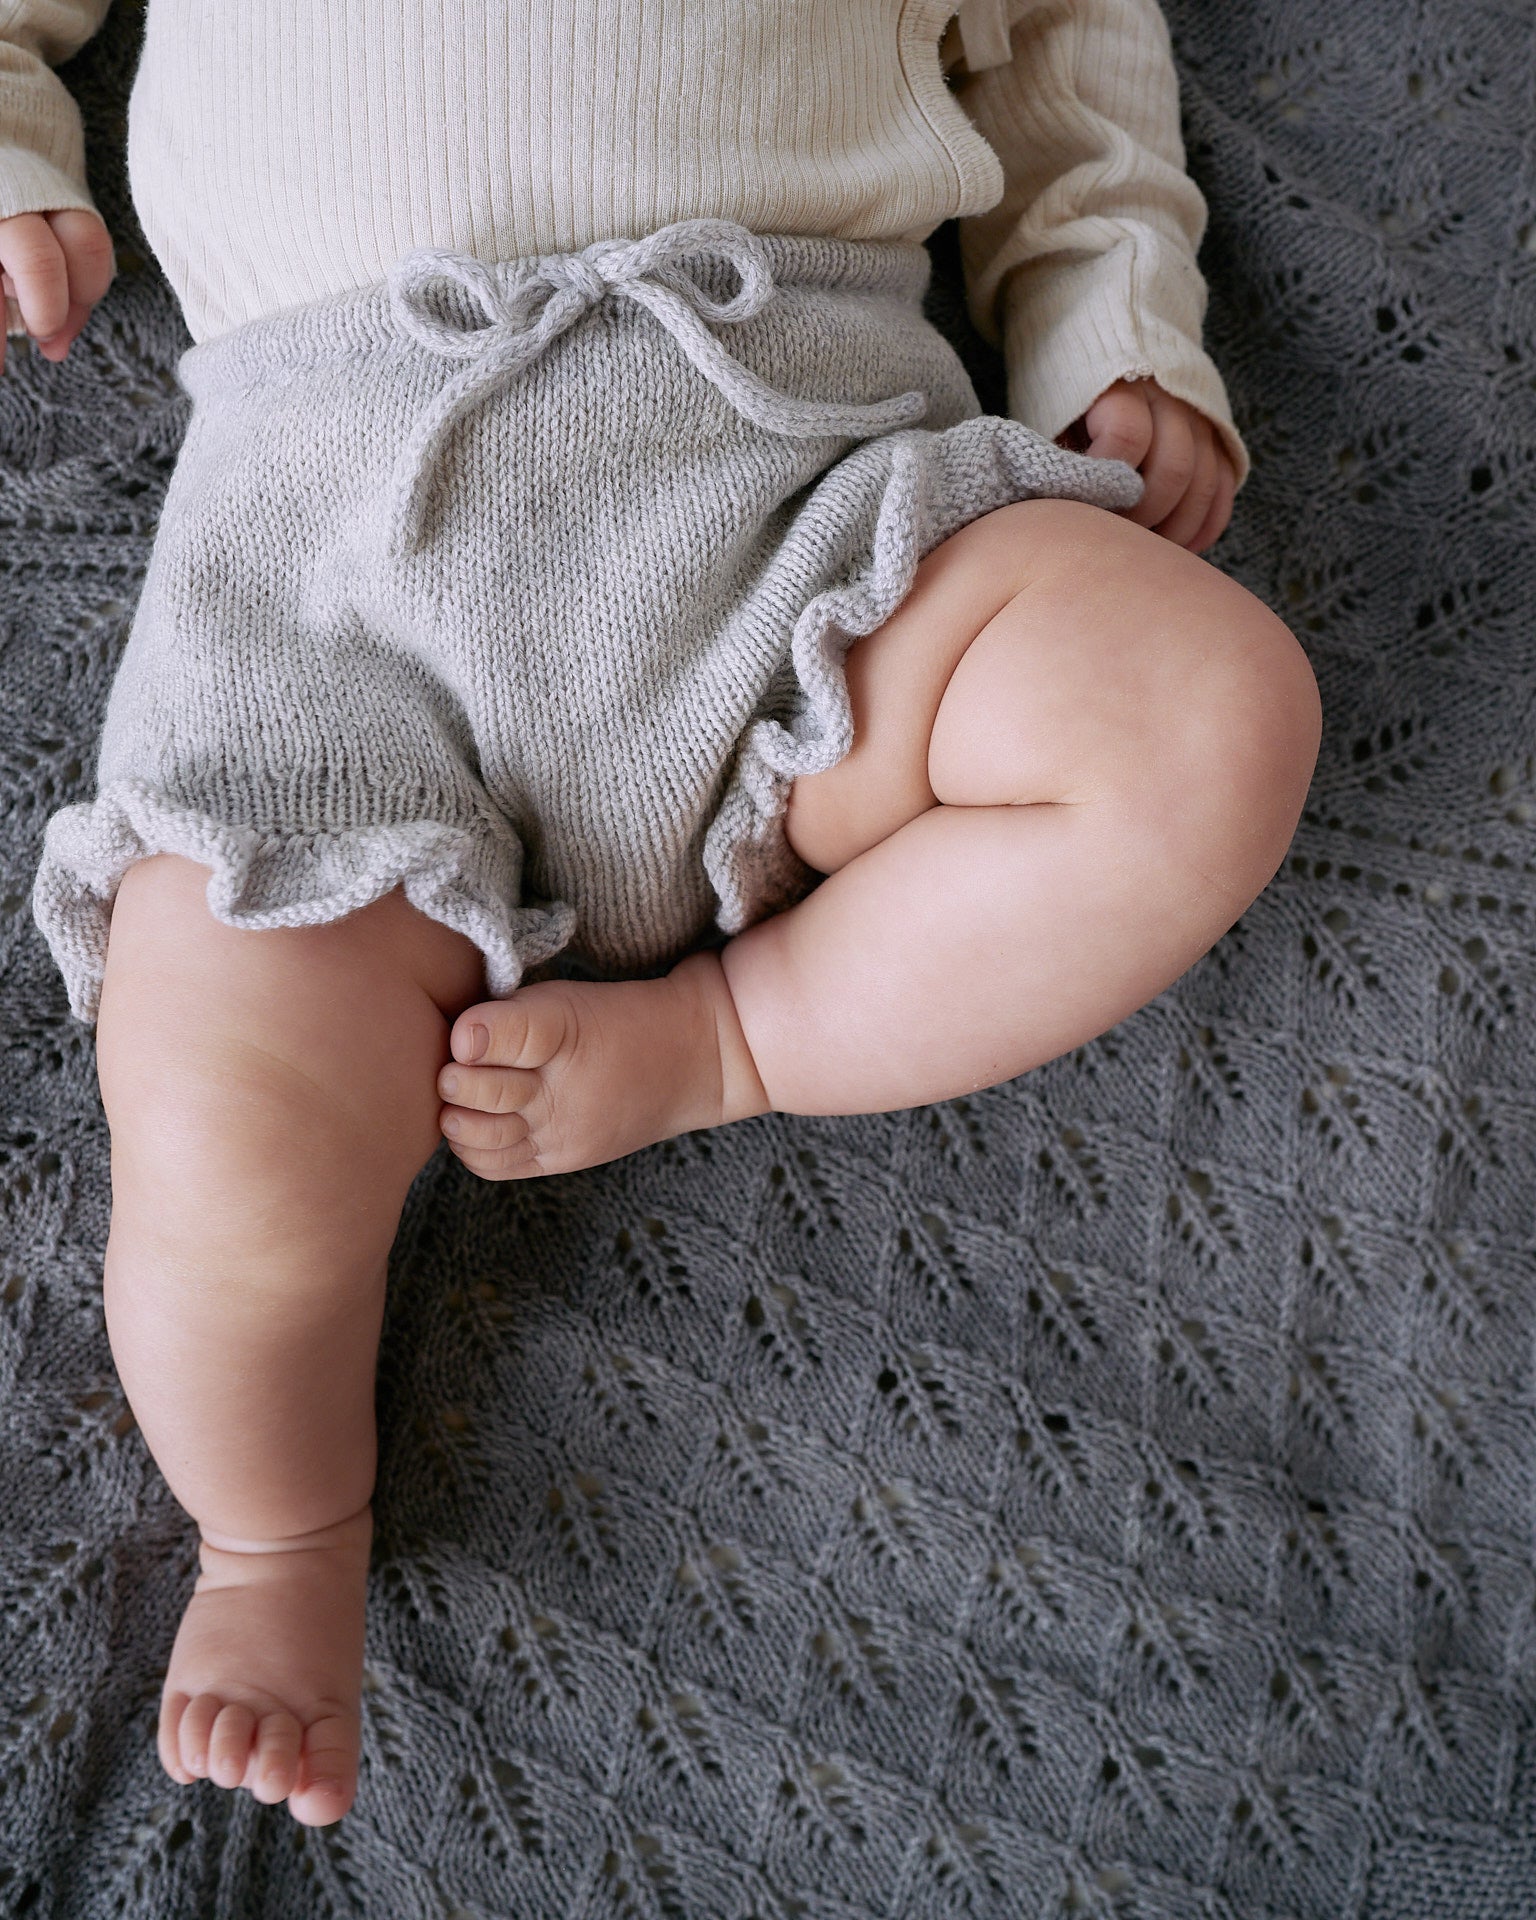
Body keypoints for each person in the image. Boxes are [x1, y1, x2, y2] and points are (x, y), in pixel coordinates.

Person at [1, 0, 1320, 1826]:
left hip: (802, 497)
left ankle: (743, 1032)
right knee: (223, 1102)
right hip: (335, 581)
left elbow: (1069, 49)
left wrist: (1111, 313)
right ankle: (278, 1526)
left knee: (1203, 713)